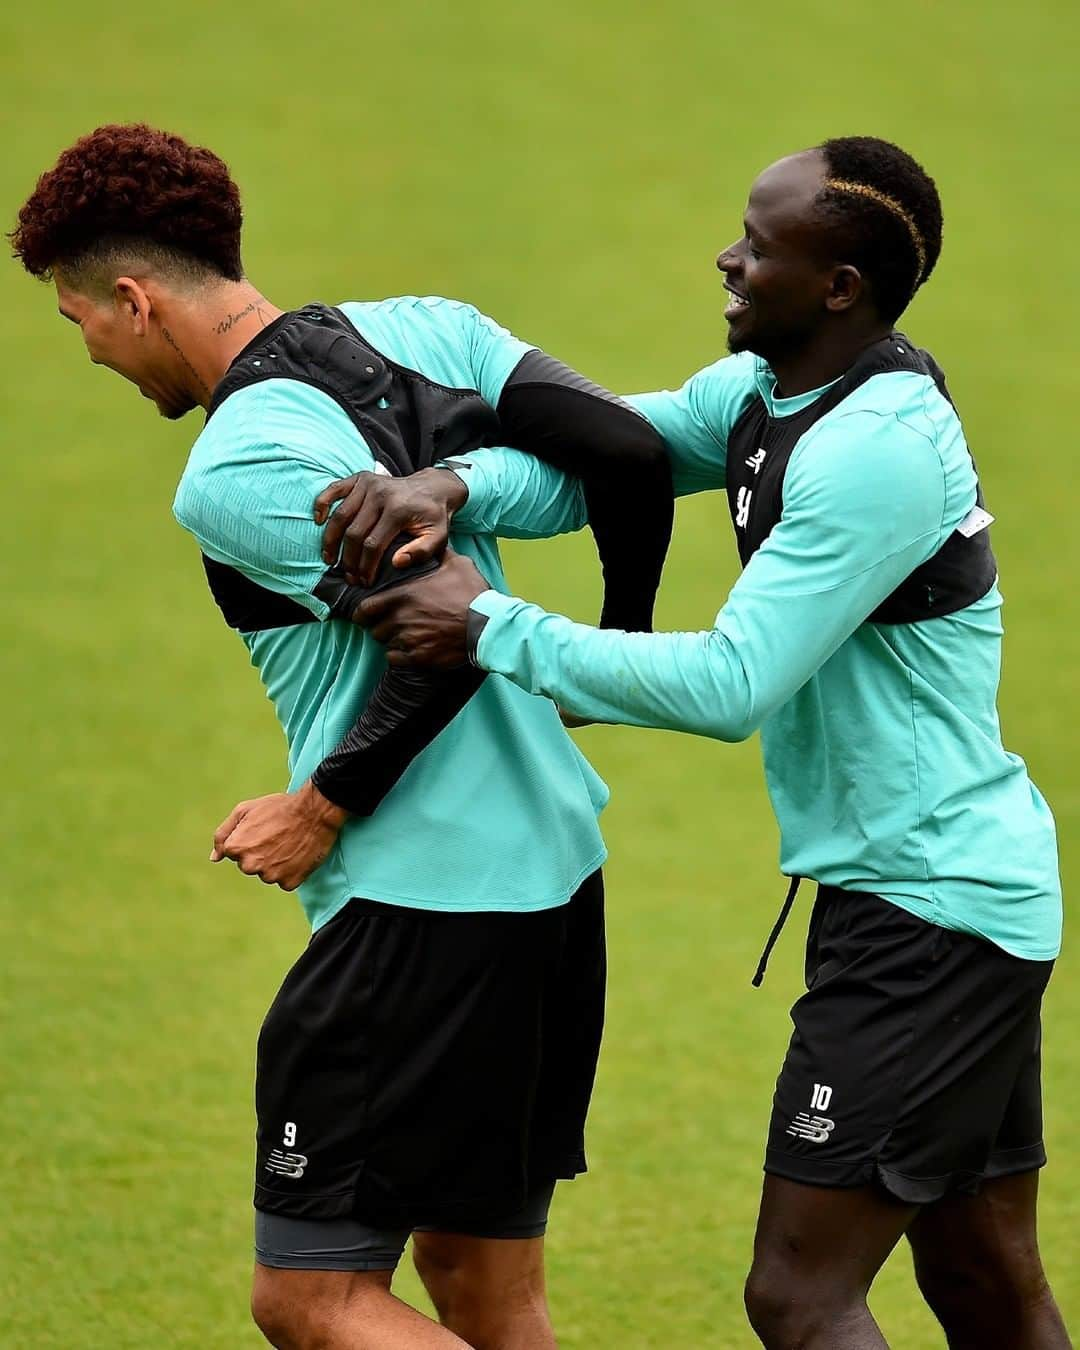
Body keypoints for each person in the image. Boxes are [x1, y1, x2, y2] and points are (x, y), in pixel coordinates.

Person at [323, 137, 1070, 1349]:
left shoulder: (871, 452)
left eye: (761, 246)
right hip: (944, 897)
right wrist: (450, 484)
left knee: (800, 1296)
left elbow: (732, 683)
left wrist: (491, 625)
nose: (728, 256)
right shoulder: (774, 394)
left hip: (930, 921)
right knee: (984, 1275)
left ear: (840, 287)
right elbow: (615, 452)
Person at [10, 123, 675, 1350]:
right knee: (485, 1293)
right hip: (554, 878)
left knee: (310, 1298)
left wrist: (324, 803)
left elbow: (447, 625)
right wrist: (613, 644)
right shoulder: (431, 326)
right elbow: (626, 456)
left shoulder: (234, 470)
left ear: (133, 297)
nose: (91, 348)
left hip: (419, 908)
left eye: (77, 320)